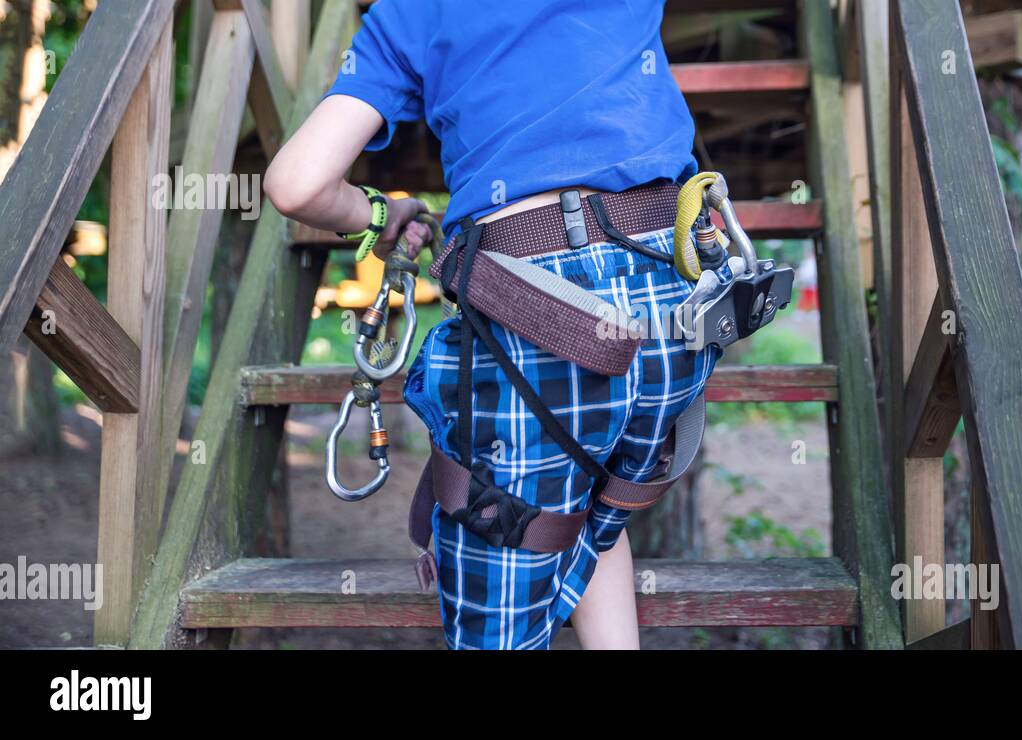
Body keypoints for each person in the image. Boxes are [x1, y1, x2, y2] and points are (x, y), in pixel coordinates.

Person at [264, 0, 717, 650]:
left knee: (516, 552)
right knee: (584, 517)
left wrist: (375, 214)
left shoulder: (408, 12)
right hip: (674, 310)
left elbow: (296, 184)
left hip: (538, 322)